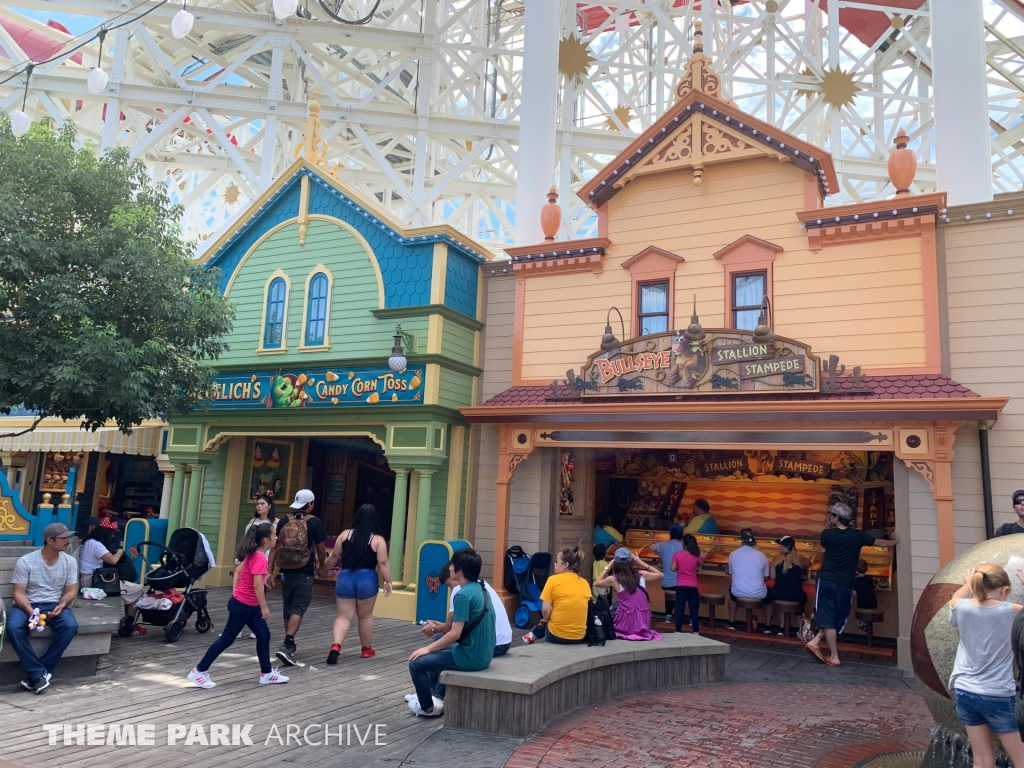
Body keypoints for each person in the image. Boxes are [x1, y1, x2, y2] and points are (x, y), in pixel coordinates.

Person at [187, 525, 289, 688]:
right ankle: (198, 671)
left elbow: (240, 573)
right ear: (265, 539)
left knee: (263, 635)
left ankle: (267, 673)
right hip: (243, 606)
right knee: (227, 639)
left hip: (246, 605)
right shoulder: (260, 558)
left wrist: (238, 592)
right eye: (274, 535)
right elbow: (256, 585)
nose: (277, 538)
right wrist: (264, 607)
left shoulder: (253, 554)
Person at [948, 565, 1024, 768]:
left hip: (965, 690)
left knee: (982, 760)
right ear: (1004, 590)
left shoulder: (960, 607)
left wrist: (967, 584)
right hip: (998, 693)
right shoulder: (1012, 611)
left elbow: (954, 598)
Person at [805, 502, 898, 666]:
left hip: (827, 579)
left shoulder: (827, 534)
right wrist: (895, 539)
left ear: (836, 517)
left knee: (827, 617)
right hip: (846, 583)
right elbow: (882, 543)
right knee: (837, 617)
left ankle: (833, 655)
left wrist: (829, 525)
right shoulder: (858, 535)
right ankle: (815, 641)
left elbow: (825, 545)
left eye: (831, 515)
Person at [406, 548, 495, 717]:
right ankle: (434, 695)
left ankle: (427, 708)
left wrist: (428, 648)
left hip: (470, 658)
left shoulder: (462, 595)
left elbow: (454, 634)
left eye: (452, 565)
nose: (450, 568)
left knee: (416, 663)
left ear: (460, 570)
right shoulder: (481, 589)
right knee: (438, 646)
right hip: (484, 655)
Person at [8, 523, 79, 693]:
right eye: (63, 538)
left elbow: (71, 591)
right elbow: (18, 593)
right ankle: (39, 674)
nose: (67, 541)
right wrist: (31, 612)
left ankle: (38, 673)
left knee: (70, 626)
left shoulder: (69, 561)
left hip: (53, 605)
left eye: (68, 537)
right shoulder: (26, 561)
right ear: (49, 540)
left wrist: (61, 605)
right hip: (27, 604)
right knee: (13, 627)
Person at [323, 503, 393, 664]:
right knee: (365, 616)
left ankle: (336, 645)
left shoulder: (345, 535)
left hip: (346, 577)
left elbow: (334, 556)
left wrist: (324, 570)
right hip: (367, 579)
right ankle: (366, 649)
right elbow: (383, 562)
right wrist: (389, 581)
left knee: (343, 616)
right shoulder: (378, 540)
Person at [268, 489, 327, 666]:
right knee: (299, 607)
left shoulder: (284, 520)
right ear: (310, 504)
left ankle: (290, 645)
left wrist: (270, 571)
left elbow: (274, 547)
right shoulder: (314, 522)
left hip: (285, 570)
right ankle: (288, 643)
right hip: (305, 570)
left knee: (289, 605)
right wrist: (322, 565)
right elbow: (321, 548)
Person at [77, 518, 145, 629]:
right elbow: (113, 560)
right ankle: (130, 624)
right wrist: (120, 551)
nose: (113, 536)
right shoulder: (96, 545)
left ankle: (128, 622)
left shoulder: (88, 542)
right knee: (138, 590)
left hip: (89, 579)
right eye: (112, 533)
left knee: (130, 589)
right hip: (94, 583)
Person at [522, 547, 591, 645]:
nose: (554, 564)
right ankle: (533, 634)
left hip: (557, 635)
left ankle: (533, 634)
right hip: (579, 636)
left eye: (557, 561)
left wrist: (545, 620)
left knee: (546, 620)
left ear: (566, 564)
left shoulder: (553, 580)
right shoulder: (585, 583)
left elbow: (545, 610)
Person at [595, 548, 663, 641]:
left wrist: (608, 566)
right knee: (617, 604)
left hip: (624, 624)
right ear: (632, 562)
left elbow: (597, 583)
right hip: (643, 622)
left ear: (616, 563)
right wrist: (640, 562)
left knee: (614, 606)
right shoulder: (642, 575)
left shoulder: (614, 579)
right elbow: (660, 574)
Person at [763, 535, 811, 636]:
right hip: (796, 595)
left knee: (770, 597)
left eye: (781, 546)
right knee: (799, 606)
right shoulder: (800, 558)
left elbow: (772, 577)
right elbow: (810, 563)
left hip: (778, 594)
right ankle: (804, 632)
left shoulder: (776, 559)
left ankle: (776, 627)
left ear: (784, 547)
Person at [727, 528, 769, 630]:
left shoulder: (733, 554)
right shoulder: (762, 556)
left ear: (742, 541)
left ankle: (732, 622)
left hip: (738, 592)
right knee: (771, 596)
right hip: (758, 593)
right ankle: (768, 625)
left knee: (731, 591)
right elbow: (766, 578)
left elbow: (730, 572)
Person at [671, 534, 704, 634]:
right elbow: (699, 564)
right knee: (693, 609)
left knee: (680, 608)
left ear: (684, 543)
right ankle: (696, 631)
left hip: (680, 584)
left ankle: (678, 630)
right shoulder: (696, 556)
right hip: (693, 585)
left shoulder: (677, 555)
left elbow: (673, 569)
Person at [650, 525, 684, 623]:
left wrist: (661, 554)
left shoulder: (662, 545)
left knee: (669, 593)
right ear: (681, 534)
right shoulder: (684, 546)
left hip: (665, 583)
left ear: (670, 534)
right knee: (682, 593)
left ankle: (668, 616)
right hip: (681, 583)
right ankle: (679, 618)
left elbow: (650, 547)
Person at [592, 543, 610, 610]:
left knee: (595, 600)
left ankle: (594, 611)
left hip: (594, 585)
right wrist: (608, 587)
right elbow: (606, 576)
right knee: (603, 601)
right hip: (602, 585)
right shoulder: (605, 564)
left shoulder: (594, 563)